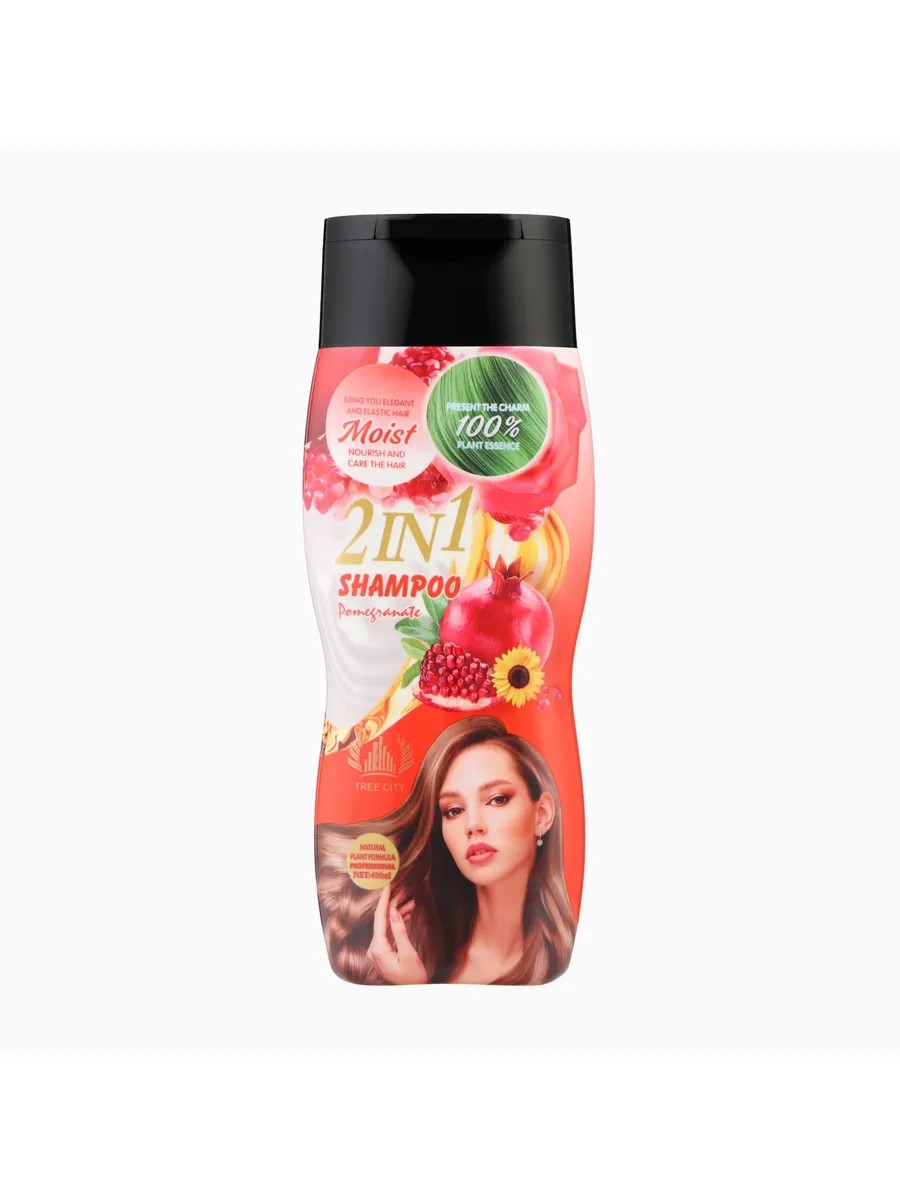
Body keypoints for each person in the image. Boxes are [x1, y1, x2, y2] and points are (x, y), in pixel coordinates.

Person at [315, 715, 576, 984]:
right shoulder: (398, 952)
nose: (473, 825)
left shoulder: (563, 962)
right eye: (454, 810)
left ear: (542, 815)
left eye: (497, 799)